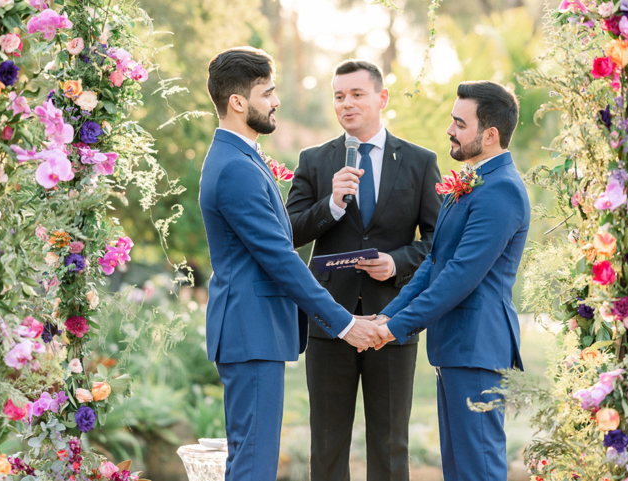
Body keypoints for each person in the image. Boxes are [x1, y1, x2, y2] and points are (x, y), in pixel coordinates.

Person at [198, 47, 384, 481]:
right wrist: (344, 322)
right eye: (268, 92)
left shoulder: (240, 157)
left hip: (253, 330)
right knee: (253, 463)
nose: (276, 101)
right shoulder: (235, 168)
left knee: (251, 458)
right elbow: (280, 258)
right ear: (238, 102)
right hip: (251, 329)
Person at [286, 60, 442, 481]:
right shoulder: (315, 161)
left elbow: (438, 241)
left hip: (390, 321)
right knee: (327, 443)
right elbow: (289, 232)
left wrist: (397, 263)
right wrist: (332, 205)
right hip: (329, 324)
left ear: (381, 98)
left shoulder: (420, 162)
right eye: (338, 96)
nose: (346, 104)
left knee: (392, 445)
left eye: (356, 94)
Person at [373, 81, 530, 481]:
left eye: (460, 123)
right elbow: (433, 264)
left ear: (490, 135)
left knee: (478, 469)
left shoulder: (502, 191)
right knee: (458, 470)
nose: (450, 130)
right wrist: (385, 316)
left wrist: (395, 329)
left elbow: (461, 276)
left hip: (478, 346)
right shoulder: (468, 183)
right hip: (456, 346)